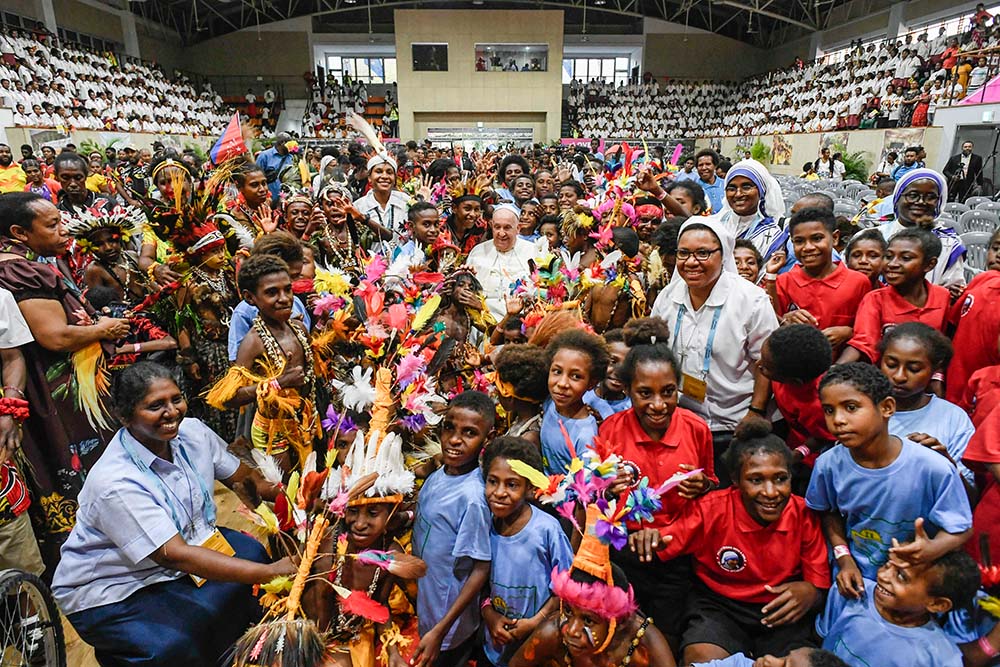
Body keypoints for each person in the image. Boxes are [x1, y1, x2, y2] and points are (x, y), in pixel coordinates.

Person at [51, 362, 296, 665]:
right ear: (125, 416)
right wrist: (272, 572)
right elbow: (174, 555)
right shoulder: (115, 481)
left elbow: (246, 481)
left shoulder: (193, 433)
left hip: (182, 552)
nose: (172, 412)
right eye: (155, 406)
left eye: (176, 399)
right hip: (115, 587)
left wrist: (301, 497)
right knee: (176, 644)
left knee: (252, 553)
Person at [0, 192, 129, 565]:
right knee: (81, 465)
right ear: (19, 233)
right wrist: (104, 328)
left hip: (48, 392)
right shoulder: (21, 270)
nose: (63, 230)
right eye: (52, 224)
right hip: (57, 396)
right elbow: (54, 336)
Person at [633, 423, 830, 665]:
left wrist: (811, 592)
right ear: (736, 480)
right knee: (702, 659)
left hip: (781, 615)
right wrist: (648, 538)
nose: (770, 492)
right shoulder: (710, 509)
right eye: (756, 480)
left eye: (780, 479)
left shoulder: (803, 513)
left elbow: (818, 582)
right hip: (719, 608)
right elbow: (665, 540)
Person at [806, 362, 972, 587]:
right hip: (858, 577)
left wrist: (932, 549)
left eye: (851, 407)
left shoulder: (933, 467)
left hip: (913, 582)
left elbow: (960, 528)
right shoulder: (828, 465)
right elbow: (827, 513)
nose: (838, 420)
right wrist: (844, 558)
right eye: (829, 410)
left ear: (886, 408)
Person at [598, 332, 715, 645]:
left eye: (668, 392)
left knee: (665, 636)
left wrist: (702, 484)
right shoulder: (611, 430)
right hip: (625, 553)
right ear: (627, 391)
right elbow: (597, 496)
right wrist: (609, 491)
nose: (658, 405)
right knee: (620, 632)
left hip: (675, 556)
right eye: (645, 394)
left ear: (678, 386)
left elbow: (710, 489)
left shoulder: (696, 429)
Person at [650, 217, 778, 483]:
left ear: (723, 254)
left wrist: (755, 412)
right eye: (683, 253)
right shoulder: (668, 297)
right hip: (681, 422)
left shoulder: (750, 300)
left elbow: (766, 364)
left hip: (734, 425)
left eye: (703, 253)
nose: (691, 262)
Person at [208, 254, 319, 478]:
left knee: (312, 484)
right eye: (271, 292)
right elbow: (229, 398)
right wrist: (279, 382)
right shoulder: (253, 342)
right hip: (273, 431)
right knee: (289, 491)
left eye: (288, 289)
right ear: (250, 298)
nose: (284, 298)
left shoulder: (298, 328)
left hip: (306, 420)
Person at [412, 391, 493, 667]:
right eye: (450, 428)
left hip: (446, 624)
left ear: (486, 440)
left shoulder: (473, 498)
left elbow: (480, 568)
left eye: (469, 433)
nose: (455, 440)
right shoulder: (441, 473)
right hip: (427, 604)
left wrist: (440, 631)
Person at [481, 436, 574, 667]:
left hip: (537, 642)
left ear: (530, 488)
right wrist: (490, 616)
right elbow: (477, 581)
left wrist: (534, 622)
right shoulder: (483, 524)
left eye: (512, 484)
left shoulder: (546, 530)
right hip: (493, 643)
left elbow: (565, 588)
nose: (499, 492)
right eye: (493, 481)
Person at [816, 549, 978, 667]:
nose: (882, 575)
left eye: (901, 576)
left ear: (937, 604)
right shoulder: (850, 593)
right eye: (887, 564)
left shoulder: (939, 657)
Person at [878, 322, 975, 488]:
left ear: (935, 369)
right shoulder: (863, 410)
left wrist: (944, 463)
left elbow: (970, 498)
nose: (900, 376)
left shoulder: (953, 418)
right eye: (891, 365)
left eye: (914, 369)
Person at [766, 208, 870, 355]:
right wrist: (785, 320)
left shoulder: (858, 282)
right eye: (799, 241)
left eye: (817, 239)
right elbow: (770, 329)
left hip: (840, 370)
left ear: (834, 238)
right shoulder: (784, 282)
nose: (808, 247)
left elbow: (867, 331)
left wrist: (849, 332)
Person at [839, 228, 950, 364]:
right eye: (889, 256)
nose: (892, 264)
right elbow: (864, 342)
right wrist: (838, 369)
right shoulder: (875, 299)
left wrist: (937, 378)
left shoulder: (942, 296)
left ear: (929, 264)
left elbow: (943, 344)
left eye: (905, 258)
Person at [540, 328, 607, 475]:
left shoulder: (585, 436)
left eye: (576, 376)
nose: (562, 383)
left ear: (591, 383)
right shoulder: (550, 403)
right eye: (557, 371)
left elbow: (586, 488)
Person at [466, 207, 535, 321]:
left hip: (521, 321)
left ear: (518, 228)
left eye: (507, 227)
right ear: (491, 226)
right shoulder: (478, 252)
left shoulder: (533, 251)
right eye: (497, 227)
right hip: (481, 320)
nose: (501, 233)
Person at [256, 132, 296, 201]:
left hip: (286, 200)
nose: (292, 146)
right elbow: (256, 177)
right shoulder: (264, 156)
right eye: (290, 143)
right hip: (268, 199)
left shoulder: (291, 158)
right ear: (282, 143)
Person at [694, 149, 724, 213]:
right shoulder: (693, 189)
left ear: (715, 166)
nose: (704, 168)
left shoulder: (726, 185)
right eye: (700, 165)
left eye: (708, 164)